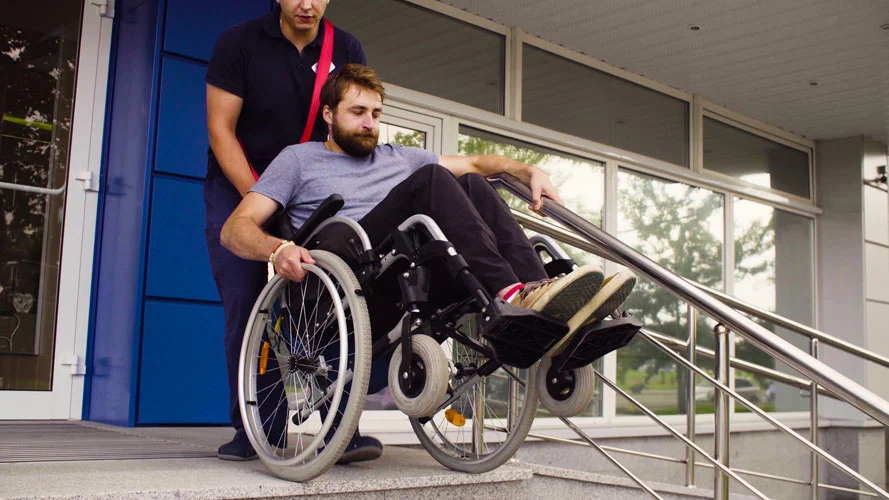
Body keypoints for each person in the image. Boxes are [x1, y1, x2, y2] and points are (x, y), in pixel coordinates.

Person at [221, 64, 637, 462]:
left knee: (471, 182)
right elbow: (235, 229)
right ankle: (513, 292)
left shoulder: (399, 157)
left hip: (408, 268)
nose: (369, 123)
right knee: (435, 180)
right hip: (350, 271)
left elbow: (477, 165)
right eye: (358, 112)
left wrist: (526, 170)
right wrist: (277, 249)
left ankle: (544, 301)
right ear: (328, 115)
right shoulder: (298, 160)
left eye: (376, 114)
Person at [203, 0, 366, 462]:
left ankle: (341, 426)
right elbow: (221, 129)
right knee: (246, 303)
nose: (307, 4)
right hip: (239, 188)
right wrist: (264, 197)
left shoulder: (347, 48)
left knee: (332, 301)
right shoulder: (238, 43)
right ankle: (259, 428)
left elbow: (350, 123)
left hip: (315, 190)